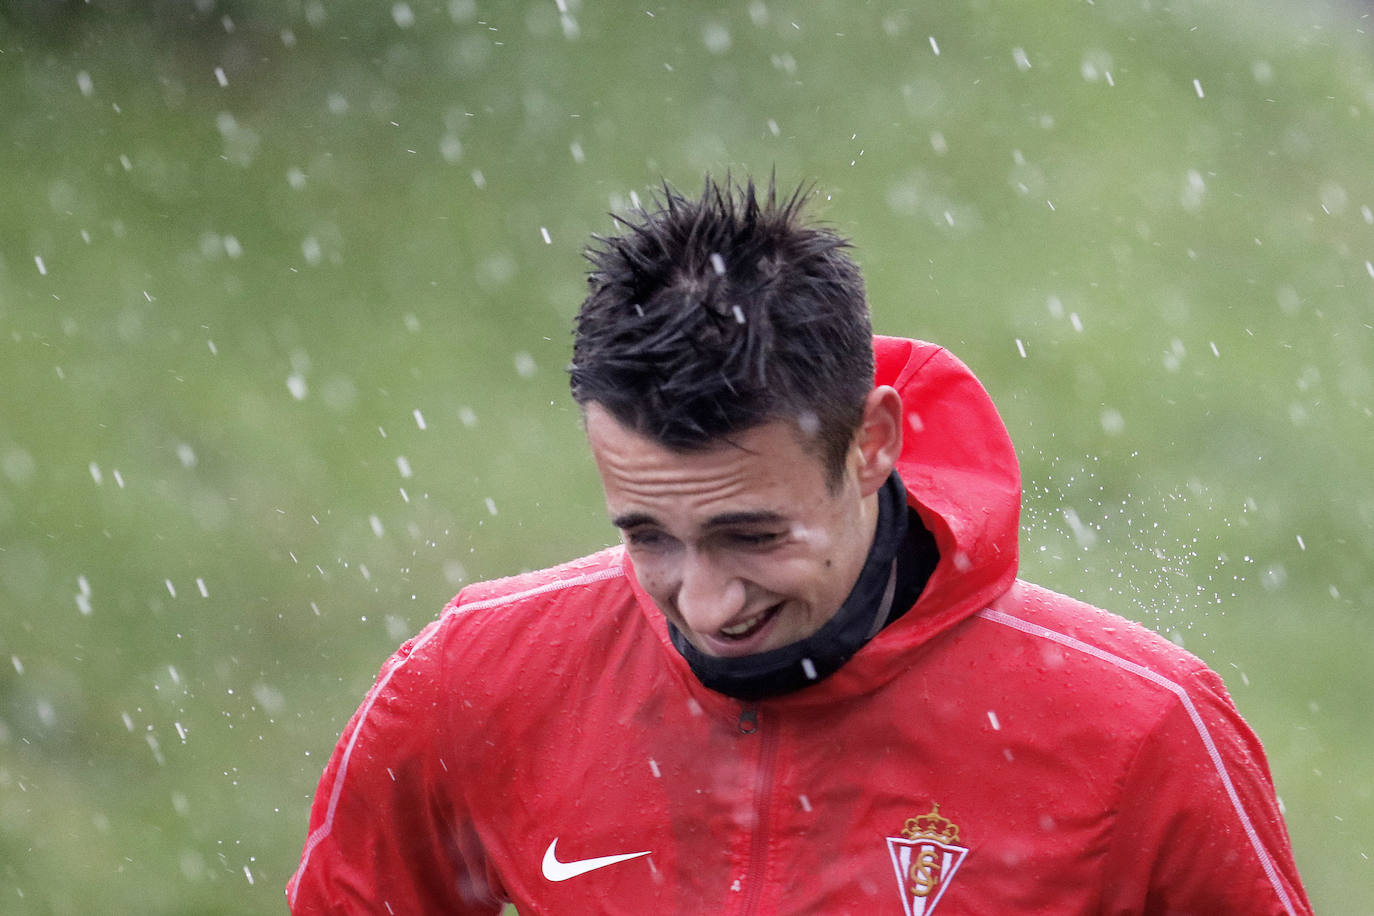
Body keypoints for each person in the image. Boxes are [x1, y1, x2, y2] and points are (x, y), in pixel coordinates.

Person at [287, 177, 1311, 914]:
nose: (703, 604)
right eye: (648, 536)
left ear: (872, 443)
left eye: (751, 535)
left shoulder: (1144, 730)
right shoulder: (472, 677)